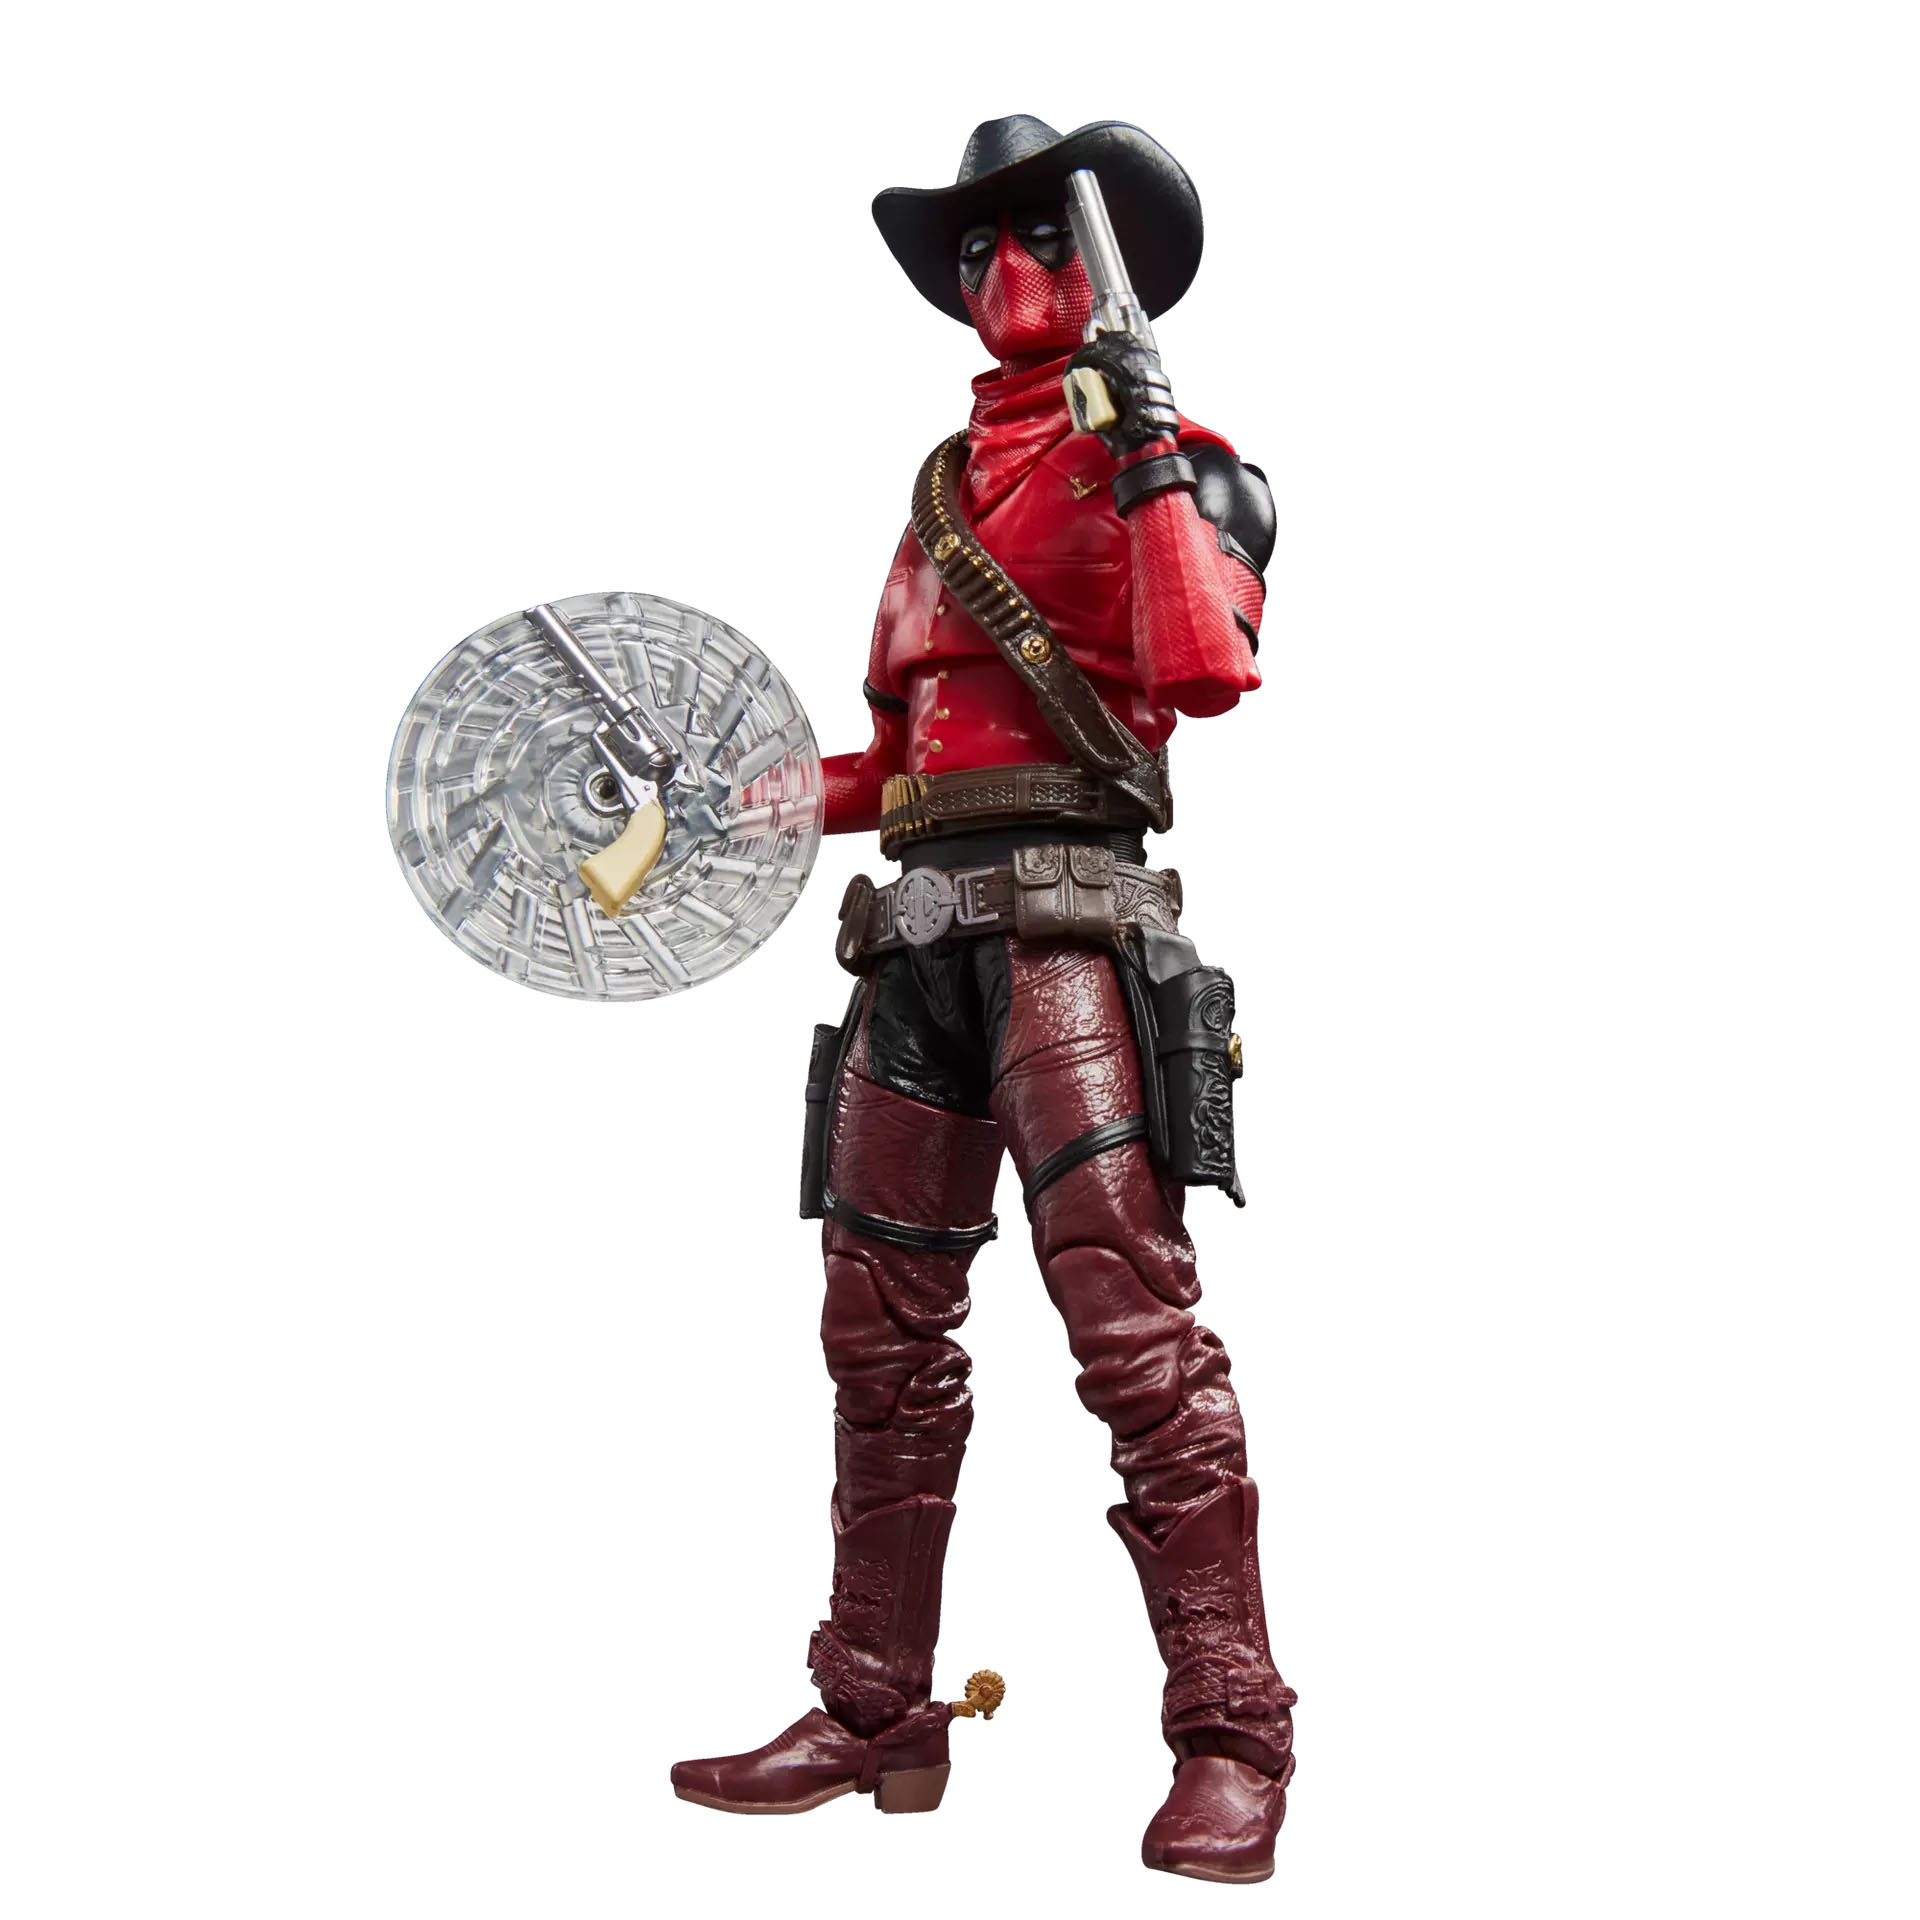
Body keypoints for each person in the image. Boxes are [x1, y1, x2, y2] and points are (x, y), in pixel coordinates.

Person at [670, 116, 1296, 1885]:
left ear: (1105, 270)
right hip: (916, 951)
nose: (1003, 269)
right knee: (876, 1340)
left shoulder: (1196, 469)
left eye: (1039, 236)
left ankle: (1235, 1730)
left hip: (1069, 944)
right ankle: (875, 1707)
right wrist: (751, 803)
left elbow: (1203, 676)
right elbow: (904, 758)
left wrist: (1151, 453)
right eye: (975, 248)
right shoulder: (939, 492)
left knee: (1136, 1337)